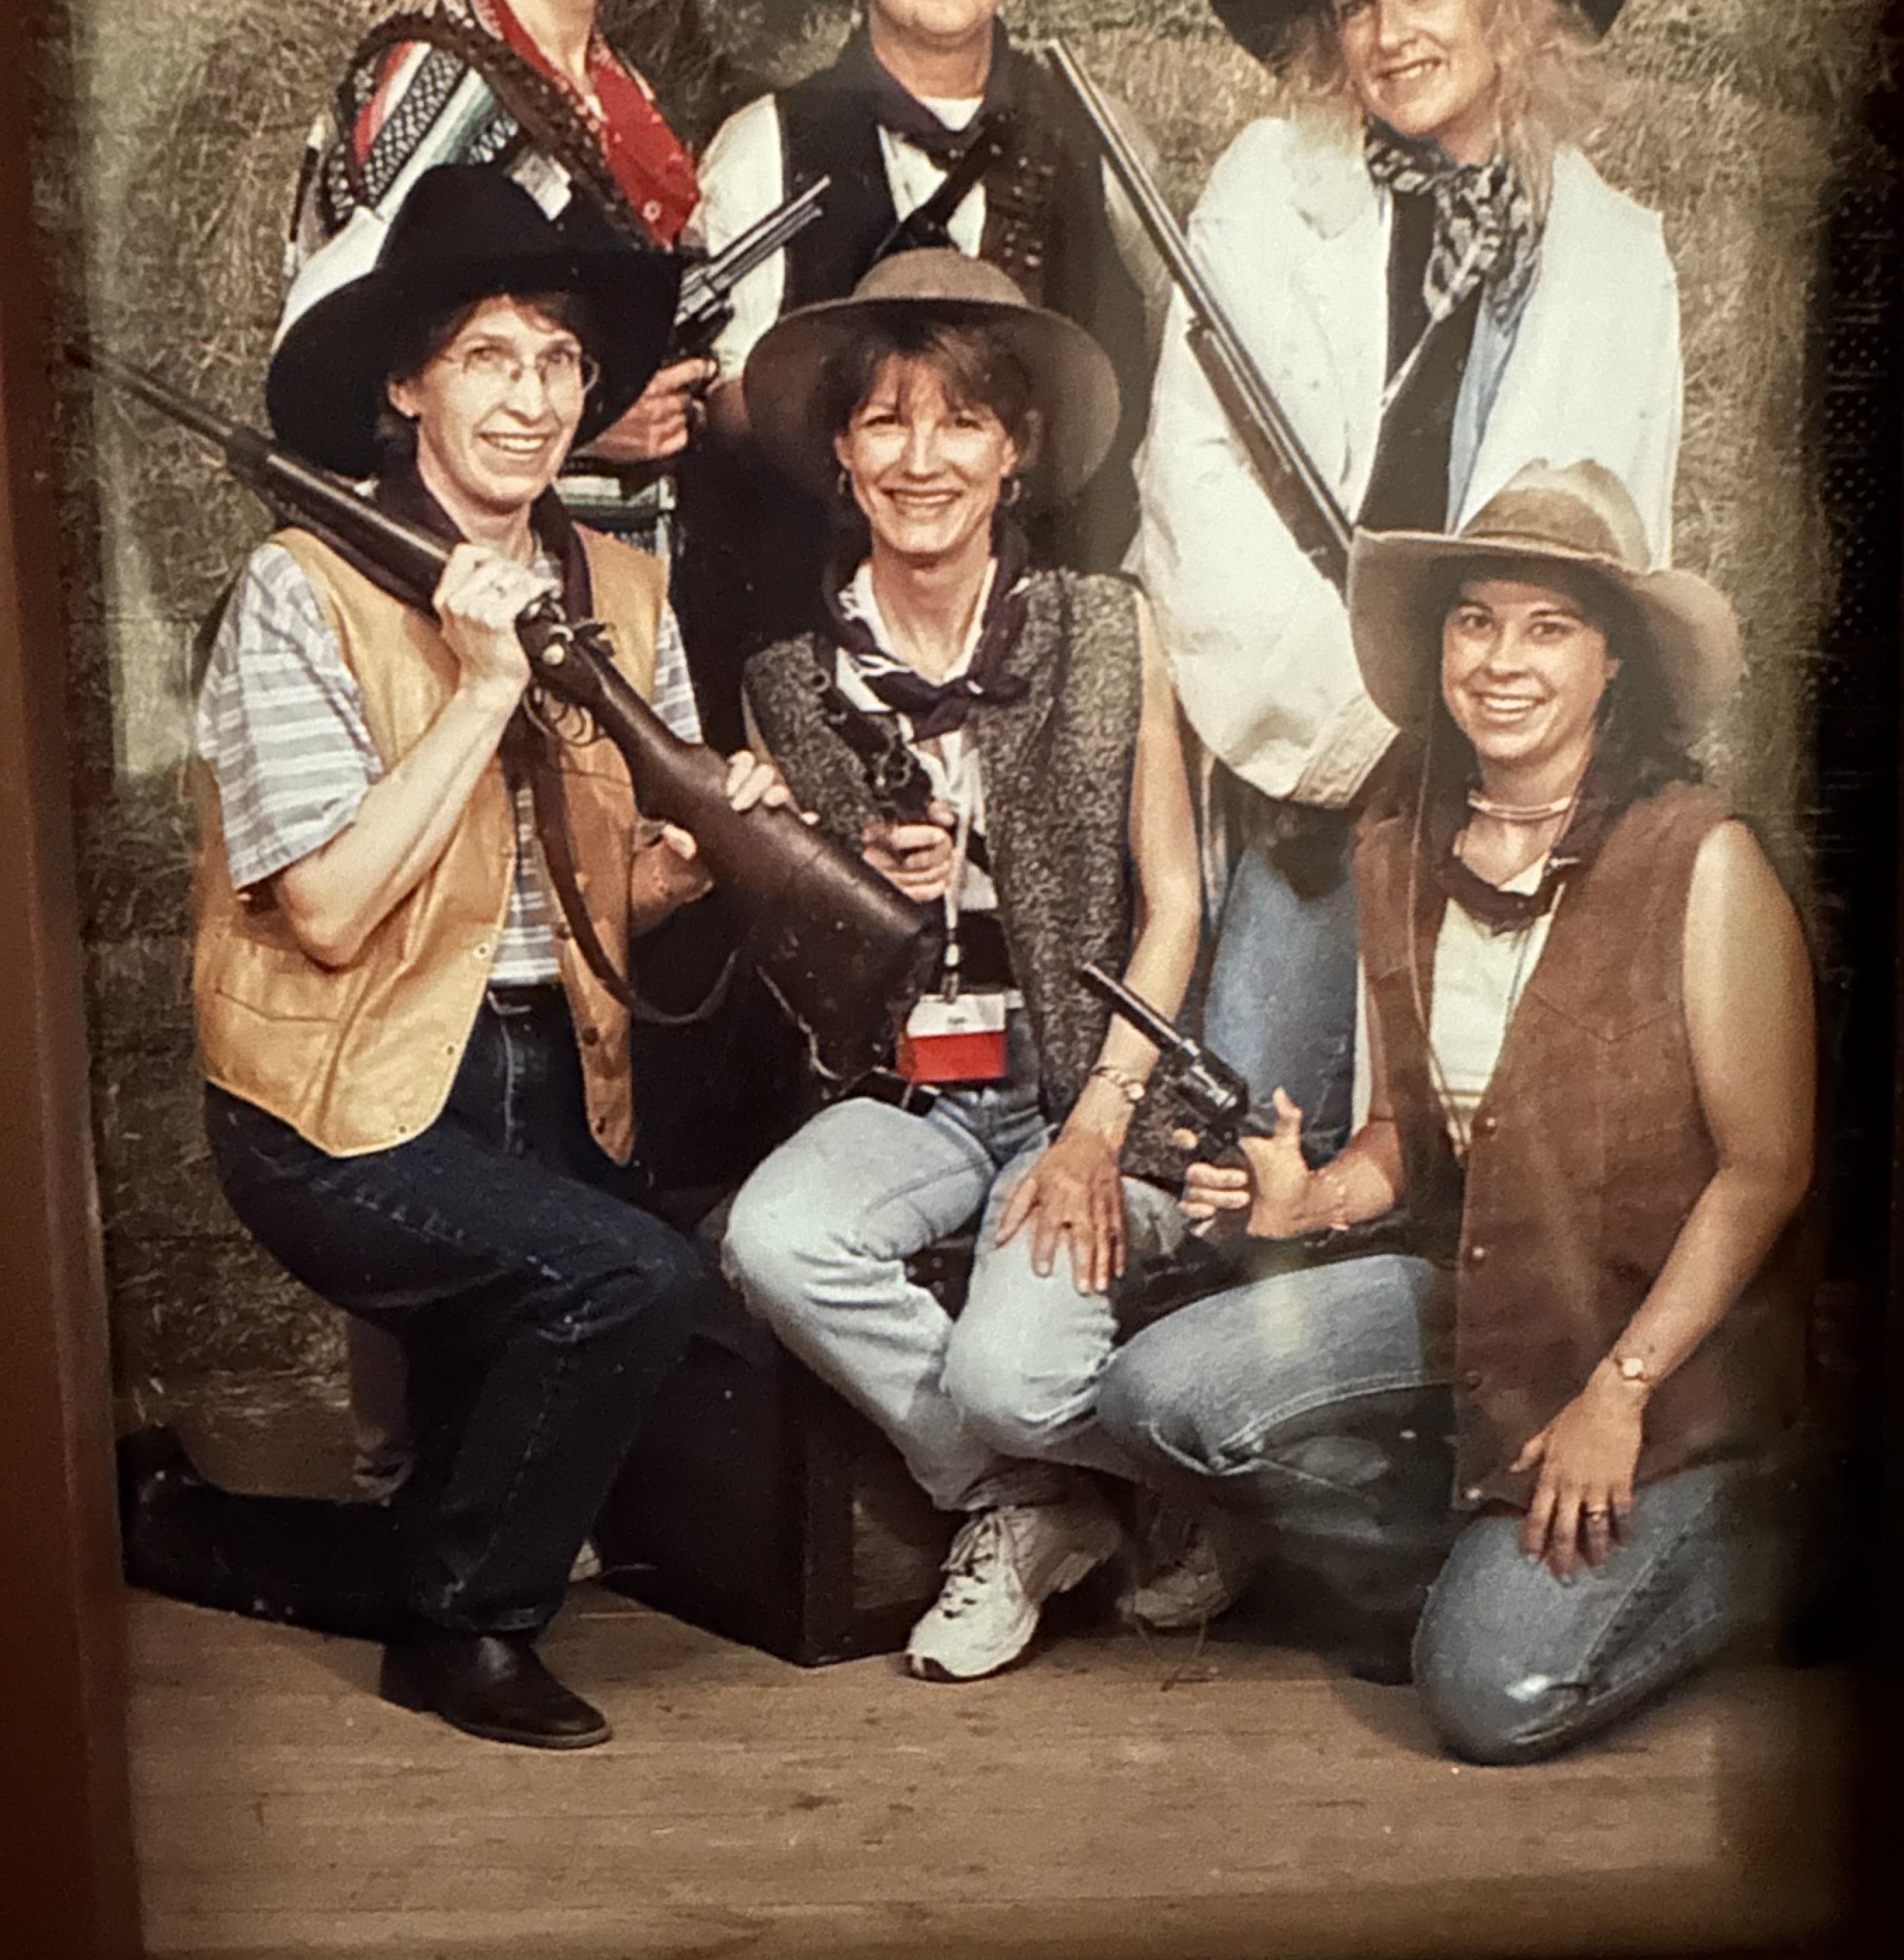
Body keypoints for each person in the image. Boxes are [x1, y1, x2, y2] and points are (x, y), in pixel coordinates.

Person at [118, 162, 794, 1751]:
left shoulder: (622, 583)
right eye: (491, 355)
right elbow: (340, 915)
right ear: (409, 382)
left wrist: (699, 861)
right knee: (624, 1280)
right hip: (340, 1097)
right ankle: (464, 1636)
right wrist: (486, 687)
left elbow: (595, 901)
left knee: (603, 1403)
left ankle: (194, 1536)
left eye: (560, 359)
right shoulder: (303, 590)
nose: (534, 395)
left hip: (561, 1071)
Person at [1099, 461, 1816, 1760]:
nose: (1499, 659)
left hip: (1664, 1349)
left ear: (1614, 665)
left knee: (1488, 1699)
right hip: (1491, 1298)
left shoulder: (1698, 858)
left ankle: (1757, 1540)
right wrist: (1309, 1196)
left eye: (1548, 627)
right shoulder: (1399, 847)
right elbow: (1403, 1139)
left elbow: (1764, 1169)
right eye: (1473, 618)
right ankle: (1467, 1559)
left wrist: (1619, 1390)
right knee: (1162, 1392)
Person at [1134, 0, 1683, 1162]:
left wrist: (1508, 732)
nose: (1390, 37)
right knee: (1242, 1143)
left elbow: (1626, 540)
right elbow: (1196, 488)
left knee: (1492, 1177)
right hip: (1321, 776)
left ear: (1505, 2)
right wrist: (1368, 725)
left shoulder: (1616, 254)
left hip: (1517, 776)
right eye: (1360, 5)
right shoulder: (1269, 190)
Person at [720, 249, 1200, 1683]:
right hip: (917, 1094)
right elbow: (806, 975)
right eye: (883, 422)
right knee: (771, 1242)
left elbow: (1173, 907)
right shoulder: (785, 681)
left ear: (1018, 449)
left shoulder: (1109, 630)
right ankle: (1018, 1499)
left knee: (1014, 1367)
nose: (921, 459)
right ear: (840, 452)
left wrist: (1101, 1129)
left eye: (961, 423)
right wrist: (825, 869)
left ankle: (1205, 1475)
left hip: (1081, 1096)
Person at [682, 0, 1155, 735]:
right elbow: (719, 408)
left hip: (1054, 669)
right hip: (824, 662)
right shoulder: (761, 147)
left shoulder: (1107, 138)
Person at [299, 0, 764, 546]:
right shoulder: (431, 87)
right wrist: (588, 418)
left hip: (614, 572)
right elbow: (345, 376)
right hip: (468, 587)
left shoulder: (620, 92)